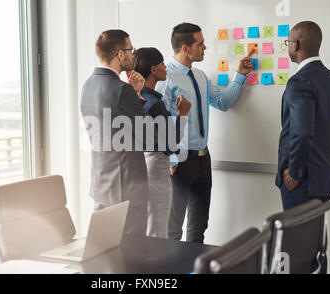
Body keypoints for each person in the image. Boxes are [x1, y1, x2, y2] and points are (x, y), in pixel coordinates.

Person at [156, 23, 254, 243]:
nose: (205, 47)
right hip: (179, 160)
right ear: (185, 48)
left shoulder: (200, 76)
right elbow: (158, 122)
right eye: (200, 44)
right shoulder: (166, 78)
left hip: (202, 159)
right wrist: (172, 159)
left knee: (198, 226)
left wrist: (239, 75)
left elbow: (221, 102)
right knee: (173, 229)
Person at [80, 29, 149, 236]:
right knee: (133, 255)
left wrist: (134, 94)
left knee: (104, 250)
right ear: (120, 54)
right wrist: (138, 96)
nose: (133, 55)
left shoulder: (88, 85)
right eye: (131, 50)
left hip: (102, 186)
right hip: (127, 189)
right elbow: (146, 136)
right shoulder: (122, 90)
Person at [276, 21, 330, 211]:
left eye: (288, 42)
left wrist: (295, 172)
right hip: (323, 178)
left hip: (302, 180)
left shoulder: (299, 82)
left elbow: (302, 132)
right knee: (313, 238)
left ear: (296, 44)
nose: (288, 46)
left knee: (297, 240)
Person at [133, 47, 192, 238]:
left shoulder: (136, 99)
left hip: (140, 165)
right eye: (162, 64)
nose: (165, 67)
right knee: (158, 228)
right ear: (153, 69)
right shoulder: (155, 104)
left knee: (149, 223)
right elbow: (171, 143)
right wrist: (182, 114)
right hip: (157, 165)